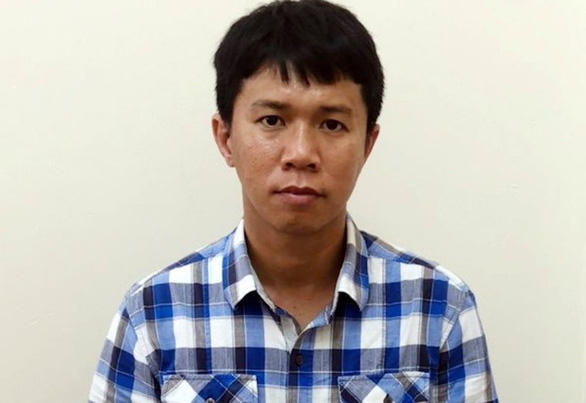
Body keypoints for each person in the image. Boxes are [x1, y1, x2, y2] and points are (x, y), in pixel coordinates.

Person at [89, 0, 498, 401]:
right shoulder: (153, 314)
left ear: (367, 145)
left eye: (332, 124)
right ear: (226, 138)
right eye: (272, 120)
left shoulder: (439, 309)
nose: (301, 153)